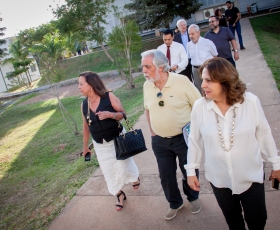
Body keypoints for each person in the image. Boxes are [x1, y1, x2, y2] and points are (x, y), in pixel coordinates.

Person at [185, 57, 280, 229]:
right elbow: (194, 141)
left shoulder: (250, 102)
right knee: (233, 222)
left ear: (225, 81)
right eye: (202, 79)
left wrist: (276, 164)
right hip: (219, 178)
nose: (202, 85)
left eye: (208, 80)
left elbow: (264, 134)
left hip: (250, 176)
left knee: (258, 220)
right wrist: (191, 171)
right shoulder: (200, 107)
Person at [141, 49, 201, 220]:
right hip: (159, 141)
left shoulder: (182, 81)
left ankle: (193, 197)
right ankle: (175, 202)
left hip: (183, 139)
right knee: (166, 175)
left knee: (188, 170)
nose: (143, 71)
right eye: (142, 67)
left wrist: (196, 133)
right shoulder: (147, 85)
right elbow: (147, 109)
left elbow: (199, 107)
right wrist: (152, 131)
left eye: (147, 66)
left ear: (161, 67)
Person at [78, 71, 140, 211]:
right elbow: (86, 127)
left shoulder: (109, 96)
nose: (79, 87)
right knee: (109, 171)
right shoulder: (84, 105)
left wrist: (110, 115)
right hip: (101, 145)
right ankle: (119, 194)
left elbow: (123, 114)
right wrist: (85, 147)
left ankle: (134, 178)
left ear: (91, 85)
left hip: (117, 139)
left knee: (124, 164)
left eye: (81, 84)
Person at [187, 24, 218, 93]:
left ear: (198, 32)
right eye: (189, 34)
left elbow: (215, 56)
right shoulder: (188, 45)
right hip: (195, 70)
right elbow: (189, 57)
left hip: (207, 68)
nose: (191, 36)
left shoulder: (208, 43)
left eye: (192, 34)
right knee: (199, 88)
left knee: (210, 86)